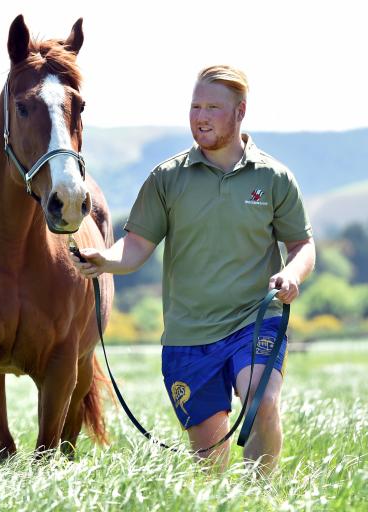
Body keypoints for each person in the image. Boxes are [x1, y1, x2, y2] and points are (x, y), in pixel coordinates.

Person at [70, 65, 315, 473]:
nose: (200, 116)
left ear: (240, 111)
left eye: (212, 108)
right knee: (210, 461)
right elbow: (135, 248)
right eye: (195, 106)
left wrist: (292, 274)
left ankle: (262, 497)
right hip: (188, 337)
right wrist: (104, 260)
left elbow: (302, 245)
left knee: (261, 400)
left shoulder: (274, 178)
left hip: (255, 320)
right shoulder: (167, 179)